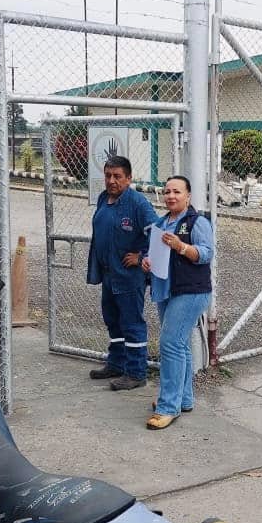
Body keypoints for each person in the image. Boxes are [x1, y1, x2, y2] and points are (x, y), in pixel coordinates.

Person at [141, 175, 214, 430]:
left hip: (190, 292)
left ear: (188, 196)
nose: (171, 196)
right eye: (167, 191)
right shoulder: (161, 223)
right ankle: (183, 399)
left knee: (170, 344)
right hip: (166, 289)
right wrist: (146, 261)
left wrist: (181, 246)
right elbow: (151, 252)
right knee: (179, 345)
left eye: (177, 192)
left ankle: (167, 407)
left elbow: (206, 254)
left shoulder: (197, 222)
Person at [86, 156, 158, 391]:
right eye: (108, 175)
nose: (111, 181)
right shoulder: (103, 199)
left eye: (117, 176)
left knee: (131, 323)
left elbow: (158, 234)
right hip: (109, 274)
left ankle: (136, 373)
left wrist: (141, 256)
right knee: (113, 320)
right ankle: (116, 363)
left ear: (128, 178)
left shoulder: (138, 204)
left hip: (129, 277)